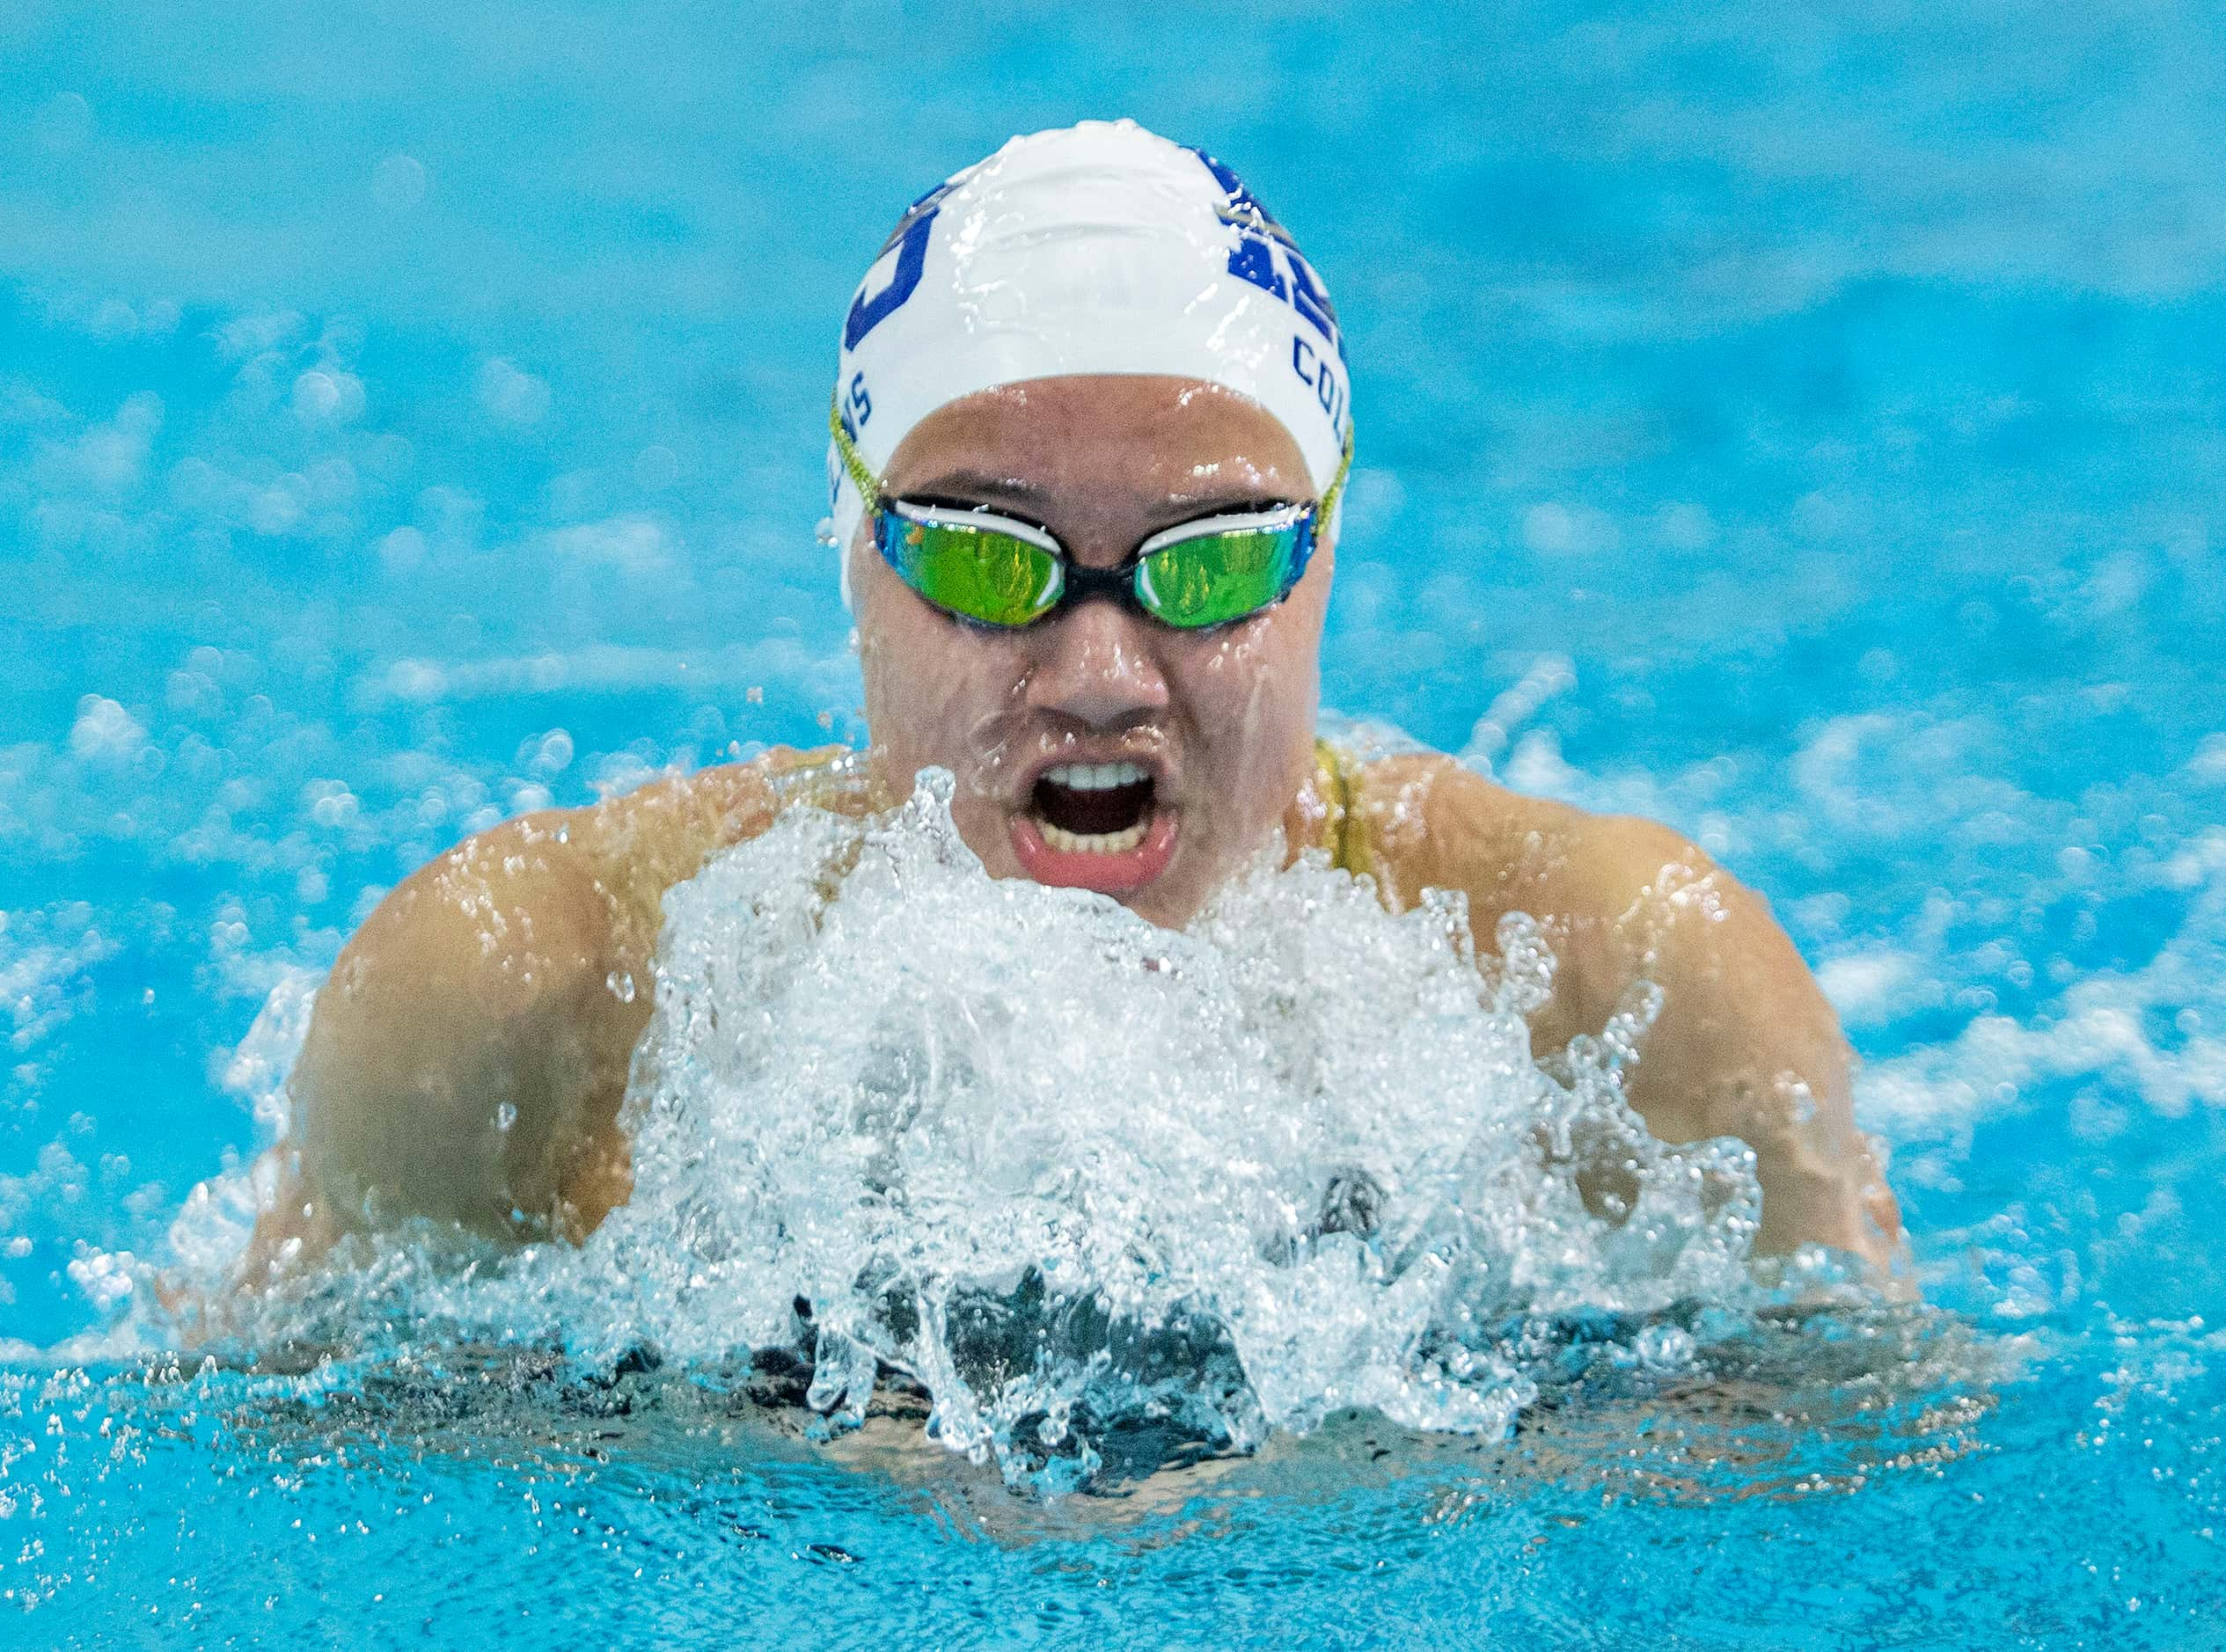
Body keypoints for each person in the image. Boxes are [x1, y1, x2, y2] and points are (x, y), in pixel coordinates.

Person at [245, 121, 1902, 1285]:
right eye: (980, 557)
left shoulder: (1625, 994)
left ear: (1325, 557)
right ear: (852, 559)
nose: (1100, 676)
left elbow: (1848, 1496)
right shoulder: (530, 1005)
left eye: (1207, 562)